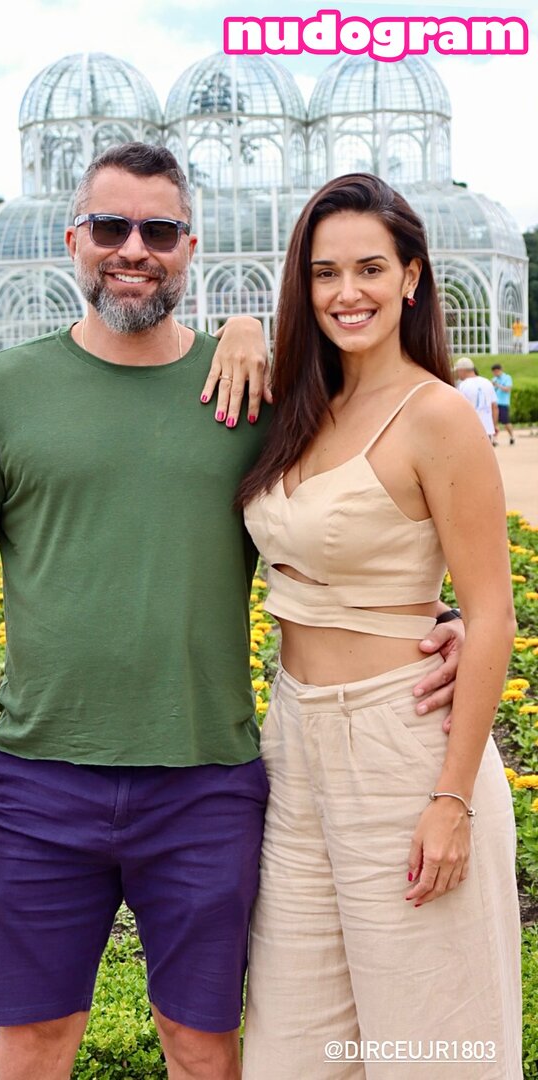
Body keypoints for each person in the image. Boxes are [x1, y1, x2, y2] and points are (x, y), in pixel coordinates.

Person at [0, 145, 464, 1080]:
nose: (133, 249)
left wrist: (440, 615)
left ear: (191, 247)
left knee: (204, 1046)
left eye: (161, 229)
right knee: (34, 1044)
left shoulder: (253, 394)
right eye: (110, 226)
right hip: (40, 778)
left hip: (206, 784)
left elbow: (344, 522)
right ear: (73, 240)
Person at [235, 174, 521, 1078]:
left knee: (433, 1047)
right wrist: (240, 328)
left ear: (411, 277)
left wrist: (451, 799)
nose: (346, 292)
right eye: (324, 273)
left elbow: (492, 614)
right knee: (291, 1053)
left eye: (369, 268)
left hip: (404, 745)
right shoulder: (298, 405)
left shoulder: (436, 415)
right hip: (293, 743)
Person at [454, 356, 498, 443]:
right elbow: (495, 407)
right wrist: (494, 426)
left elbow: (459, 409)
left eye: (457, 371)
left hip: (471, 430)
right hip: (487, 429)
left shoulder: (463, 385)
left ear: (462, 370)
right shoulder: (487, 382)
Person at [491, 362, 515, 444]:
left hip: (503, 403)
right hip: (494, 403)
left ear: (500, 370)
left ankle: (512, 436)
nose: (495, 373)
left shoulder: (507, 378)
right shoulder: (493, 379)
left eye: (496, 371)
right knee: (494, 422)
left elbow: (507, 389)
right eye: (494, 372)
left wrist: (497, 385)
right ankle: (494, 439)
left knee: (506, 422)